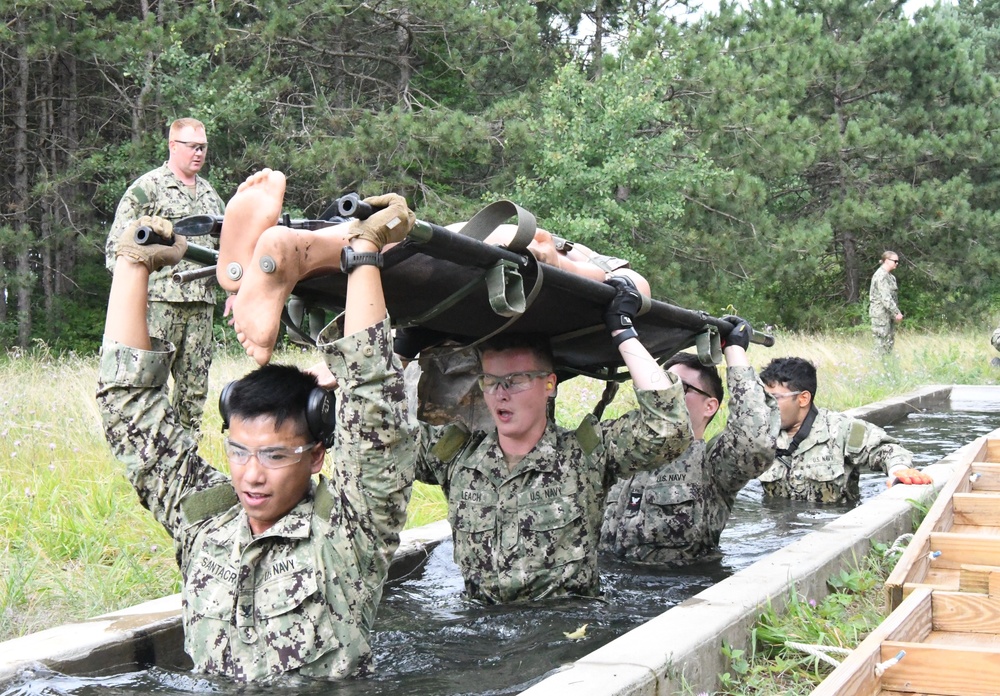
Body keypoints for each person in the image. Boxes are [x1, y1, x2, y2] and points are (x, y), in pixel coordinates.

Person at [96, 185, 417, 682]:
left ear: (315, 457)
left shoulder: (347, 534)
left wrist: (365, 254)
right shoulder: (205, 524)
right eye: (239, 452)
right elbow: (128, 410)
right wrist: (133, 265)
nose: (251, 475)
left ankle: (303, 252)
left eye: (273, 456)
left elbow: (375, 405)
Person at [411, 277, 694, 603]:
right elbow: (378, 445)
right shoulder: (458, 455)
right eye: (491, 381)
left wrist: (623, 330)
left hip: (565, 632)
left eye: (516, 381)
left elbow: (669, 428)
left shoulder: (583, 454)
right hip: (478, 633)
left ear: (550, 385)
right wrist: (402, 349)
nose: (501, 394)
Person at [599, 317, 779, 565]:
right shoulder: (628, 454)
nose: (667, 395)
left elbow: (754, 442)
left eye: (680, 388)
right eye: (665, 384)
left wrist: (734, 351)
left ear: (710, 406)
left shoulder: (712, 466)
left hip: (682, 593)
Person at [104, 117, 226, 440]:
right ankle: (154, 458)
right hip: (158, 305)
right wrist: (131, 297)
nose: (199, 153)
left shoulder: (212, 198)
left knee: (194, 393)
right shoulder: (148, 188)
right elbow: (118, 246)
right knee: (149, 385)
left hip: (201, 307)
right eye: (192, 147)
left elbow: (227, 252)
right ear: (173, 146)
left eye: (203, 147)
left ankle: (188, 468)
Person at [756, 357, 931, 504]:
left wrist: (899, 470)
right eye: (764, 397)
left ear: (803, 399)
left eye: (774, 398)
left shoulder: (840, 429)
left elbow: (886, 449)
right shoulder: (760, 435)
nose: (767, 404)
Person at [869, 251, 903, 356]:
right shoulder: (880, 276)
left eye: (898, 261)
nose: (897, 263)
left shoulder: (891, 277)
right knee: (880, 345)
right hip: (880, 316)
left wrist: (894, 314)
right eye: (895, 261)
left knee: (889, 344)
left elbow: (893, 297)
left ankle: (886, 367)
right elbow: (886, 298)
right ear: (887, 261)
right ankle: (876, 368)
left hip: (889, 316)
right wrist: (897, 312)